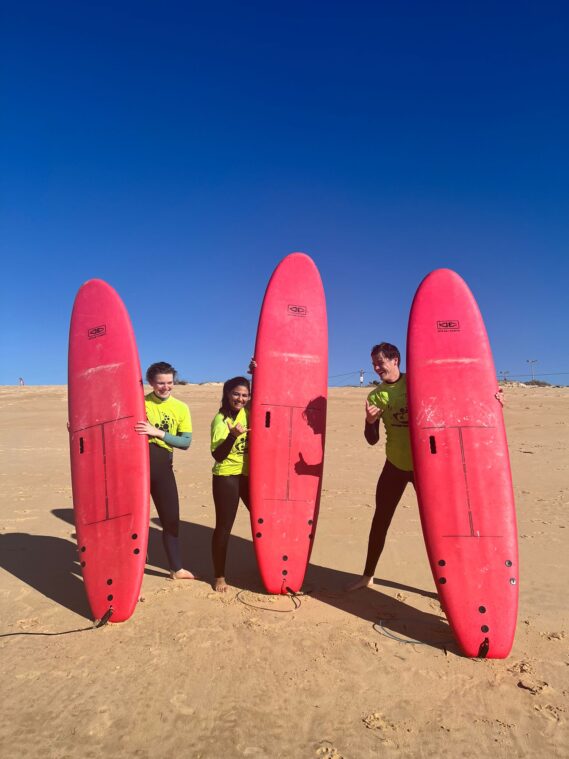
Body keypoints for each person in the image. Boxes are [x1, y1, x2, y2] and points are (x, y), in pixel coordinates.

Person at [347, 343, 414, 590]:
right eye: (374, 363)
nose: (376, 368)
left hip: (425, 468)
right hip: (395, 465)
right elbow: (372, 439)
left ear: (395, 360)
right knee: (380, 520)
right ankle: (368, 576)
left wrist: (494, 397)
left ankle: (448, 583)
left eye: (380, 362)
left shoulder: (417, 382)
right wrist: (370, 421)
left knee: (437, 523)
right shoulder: (375, 396)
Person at [135, 362, 197, 580]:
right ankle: (134, 562)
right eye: (161, 383)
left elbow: (186, 442)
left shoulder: (180, 408)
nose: (166, 387)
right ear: (151, 383)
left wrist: (158, 433)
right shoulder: (138, 402)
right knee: (134, 521)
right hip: (135, 470)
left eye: (169, 382)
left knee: (171, 519)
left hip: (162, 468)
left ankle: (176, 568)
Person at [210, 376, 251, 592]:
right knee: (225, 526)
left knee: (262, 518)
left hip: (249, 475)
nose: (240, 399)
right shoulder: (221, 420)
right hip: (226, 476)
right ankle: (219, 576)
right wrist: (233, 436)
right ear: (227, 394)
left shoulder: (249, 411)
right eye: (236, 394)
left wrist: (256, 369)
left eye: (245, 395)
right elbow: (218, 455)